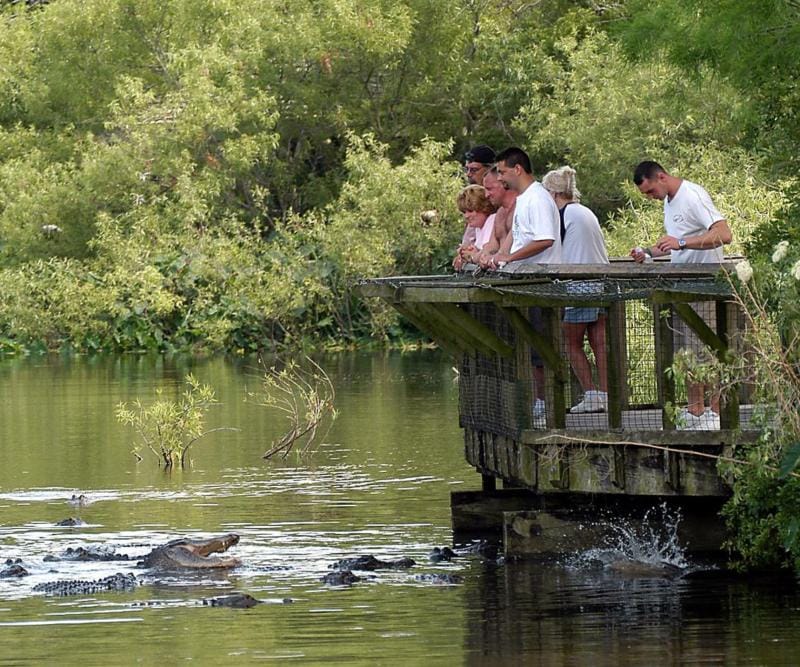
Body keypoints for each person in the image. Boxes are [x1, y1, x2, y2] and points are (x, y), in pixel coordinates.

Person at [630, 160, 732, 430]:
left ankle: (715, 410)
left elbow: (723, 234)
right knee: (686, 352)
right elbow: (676, 243)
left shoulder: (693, 196)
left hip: (704, 286)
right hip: (682, 287)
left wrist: (682, 242)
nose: (651, 198)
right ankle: (695, 410)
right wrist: (649, 252)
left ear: (661, 177)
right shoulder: (669, 202)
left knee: (706, 351)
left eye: (650, 191)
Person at [492, 147, 562, 423]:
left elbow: (545, 239)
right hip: (526, 283)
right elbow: (517, 237)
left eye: (502, 171)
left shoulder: (538, 198)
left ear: (517, 168)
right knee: (532, 349)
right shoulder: (523, 199)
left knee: (542, 349)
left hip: (542, 283)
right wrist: (498, 258)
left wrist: (510, 257)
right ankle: (540, 403)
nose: (500, 178)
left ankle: (547, 406)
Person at [542, 166, 609, 414]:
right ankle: (605, 393)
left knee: (570, 341)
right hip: (601, 283)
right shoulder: (585, 212)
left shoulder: (562, 215)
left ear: (552, 194)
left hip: (579, 285)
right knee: (599, 343)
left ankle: (592, 394)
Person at [476, 167, 516, 268]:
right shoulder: (499, 213)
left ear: (504, 184)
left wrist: (497, 258)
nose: (486, 195)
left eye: (489, 189)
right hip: (505, 274)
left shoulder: (522, 207)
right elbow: (491, 246)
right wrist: (481, 258)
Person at [452, 185, 497, 269]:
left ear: (484, 207)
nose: (466, 216)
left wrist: (471, 256)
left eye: (470, 211)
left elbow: (488, 251)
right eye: (464, 212)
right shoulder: (478, 227)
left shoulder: (492, 220)